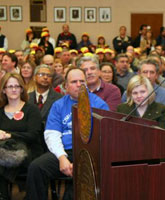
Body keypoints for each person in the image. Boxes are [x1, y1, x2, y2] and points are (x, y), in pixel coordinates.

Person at [26, 67, 109, 200]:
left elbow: (104, 138)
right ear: (66, 86)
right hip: (64, 151)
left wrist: (82, 161)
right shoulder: (58, 105)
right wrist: (62, 158)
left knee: (77, 185)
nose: (78, 85)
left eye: (82, 81)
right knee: (36, 168)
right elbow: (52, 134)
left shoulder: (99, 104)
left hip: (90, 154)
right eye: (74, 82)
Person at [0, 73, 42, 199]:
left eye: (17, 86)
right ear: (3, 90)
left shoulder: (31, 109)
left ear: (22, 89)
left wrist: (8, 135)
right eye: (9, 86)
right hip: (4, 151)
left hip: (28, 152)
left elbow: (33, 135)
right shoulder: (0, 111)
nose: (13, 89)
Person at [122, 58, 165, 130]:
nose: (148, 76)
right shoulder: (128, 93)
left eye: (152, 72)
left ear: (156, 75)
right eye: (145, 72)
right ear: (139, 73)